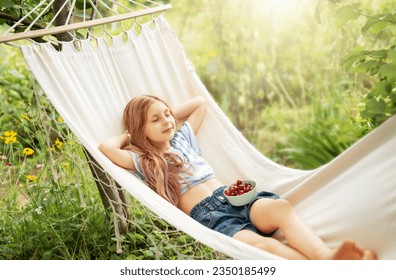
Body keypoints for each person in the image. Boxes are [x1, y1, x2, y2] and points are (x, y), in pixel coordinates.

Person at [99, 94, 377, 260]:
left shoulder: (183, 139)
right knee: (264, 245)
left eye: (168, 114)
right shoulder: (146, 160)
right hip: (211, 218)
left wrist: (166, 113)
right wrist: (130, 135)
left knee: (281, 207)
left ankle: (326, 258)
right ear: (140, 130)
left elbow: (198, 104)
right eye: (156, 120)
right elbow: (107, 148)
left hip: (233, 197)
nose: (168, 121)